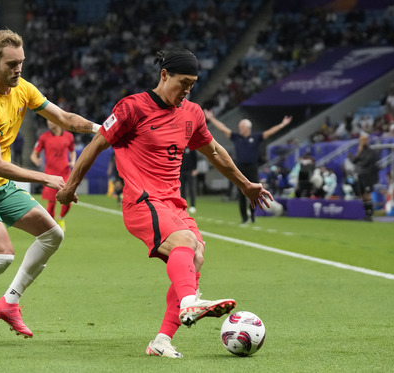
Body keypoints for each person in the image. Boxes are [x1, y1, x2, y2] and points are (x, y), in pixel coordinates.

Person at [56, 48, 272, 359]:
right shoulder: (132, 108)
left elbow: (214, 152)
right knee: (185, 244)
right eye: (183, 82)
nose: (186, 90)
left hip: (173, 203)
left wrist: (245, 185)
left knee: (196, 252)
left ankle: (161, 340)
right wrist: (70, 186)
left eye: (193, 84)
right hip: (141, 201)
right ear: (164, 75)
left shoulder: (192, 114)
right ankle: (189, 303)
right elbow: (97, 144)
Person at [0, 29, 100, 345]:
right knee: (2, 256)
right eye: (12, 64)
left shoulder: (22, 88)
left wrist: (105, 129)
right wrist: (45, 177)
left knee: (53, 234)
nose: (19, 70)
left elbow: (66, 118)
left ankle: (10, 302)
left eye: (22, 62)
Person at [204, 109, 292, 224]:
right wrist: (211, 119)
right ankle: (244, 218)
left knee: (254, 193)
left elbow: (270, 132)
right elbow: (222, 128)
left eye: (242, 126)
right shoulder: (236, 137)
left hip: (252, 168)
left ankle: (253, 216)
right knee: (241, 194)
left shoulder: (256, 137)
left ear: (247, 128)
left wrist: (282, 124)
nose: (240, 128)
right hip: (240, 168)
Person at [30, 120, 76, 231]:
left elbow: (72, 150)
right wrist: (36, 160)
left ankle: (60, 218)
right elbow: (33, 154)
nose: (49, 122)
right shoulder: (44, 137)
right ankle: (52, 227)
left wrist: (73, 160)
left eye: (51, 119)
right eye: (47, 120)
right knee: (51, 203)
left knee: (68, 199)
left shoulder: (69, 136)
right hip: (50, 174)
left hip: (65, 173)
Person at [353, 133, 379, 221]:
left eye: (363, 140)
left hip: (367, 176)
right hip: (360, 175)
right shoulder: (361, 151)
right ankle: (366, 213)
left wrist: (359, 164)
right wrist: (358, 152)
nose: (362, 142)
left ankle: (370, 214)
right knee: (362, 194)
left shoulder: (370, 152)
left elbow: (366, 162)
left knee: (367, 193)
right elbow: (354, 161)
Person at [180, 147, 198, 213]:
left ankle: (192, 206)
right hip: (181, 171)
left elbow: (195, 158)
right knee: (182, 190)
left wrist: (195, 169)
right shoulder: (180, 147)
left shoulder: (191, 148)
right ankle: (183, 206)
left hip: (190, 171)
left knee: (191, 189)